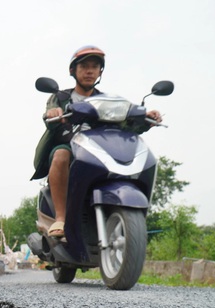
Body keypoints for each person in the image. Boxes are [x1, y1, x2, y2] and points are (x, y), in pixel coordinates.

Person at [33, 46, 162, 238]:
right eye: (84, 66)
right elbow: (51, 114)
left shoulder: (105, 100)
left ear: (100, 71)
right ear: (73, 71)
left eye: (95, 66)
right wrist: (53, 113)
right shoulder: (60, 97)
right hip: (70, 144)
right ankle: (61, 218)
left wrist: (145, 120)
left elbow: (125, 125)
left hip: (98, 148)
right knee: (61, 154)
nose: (90, 71)